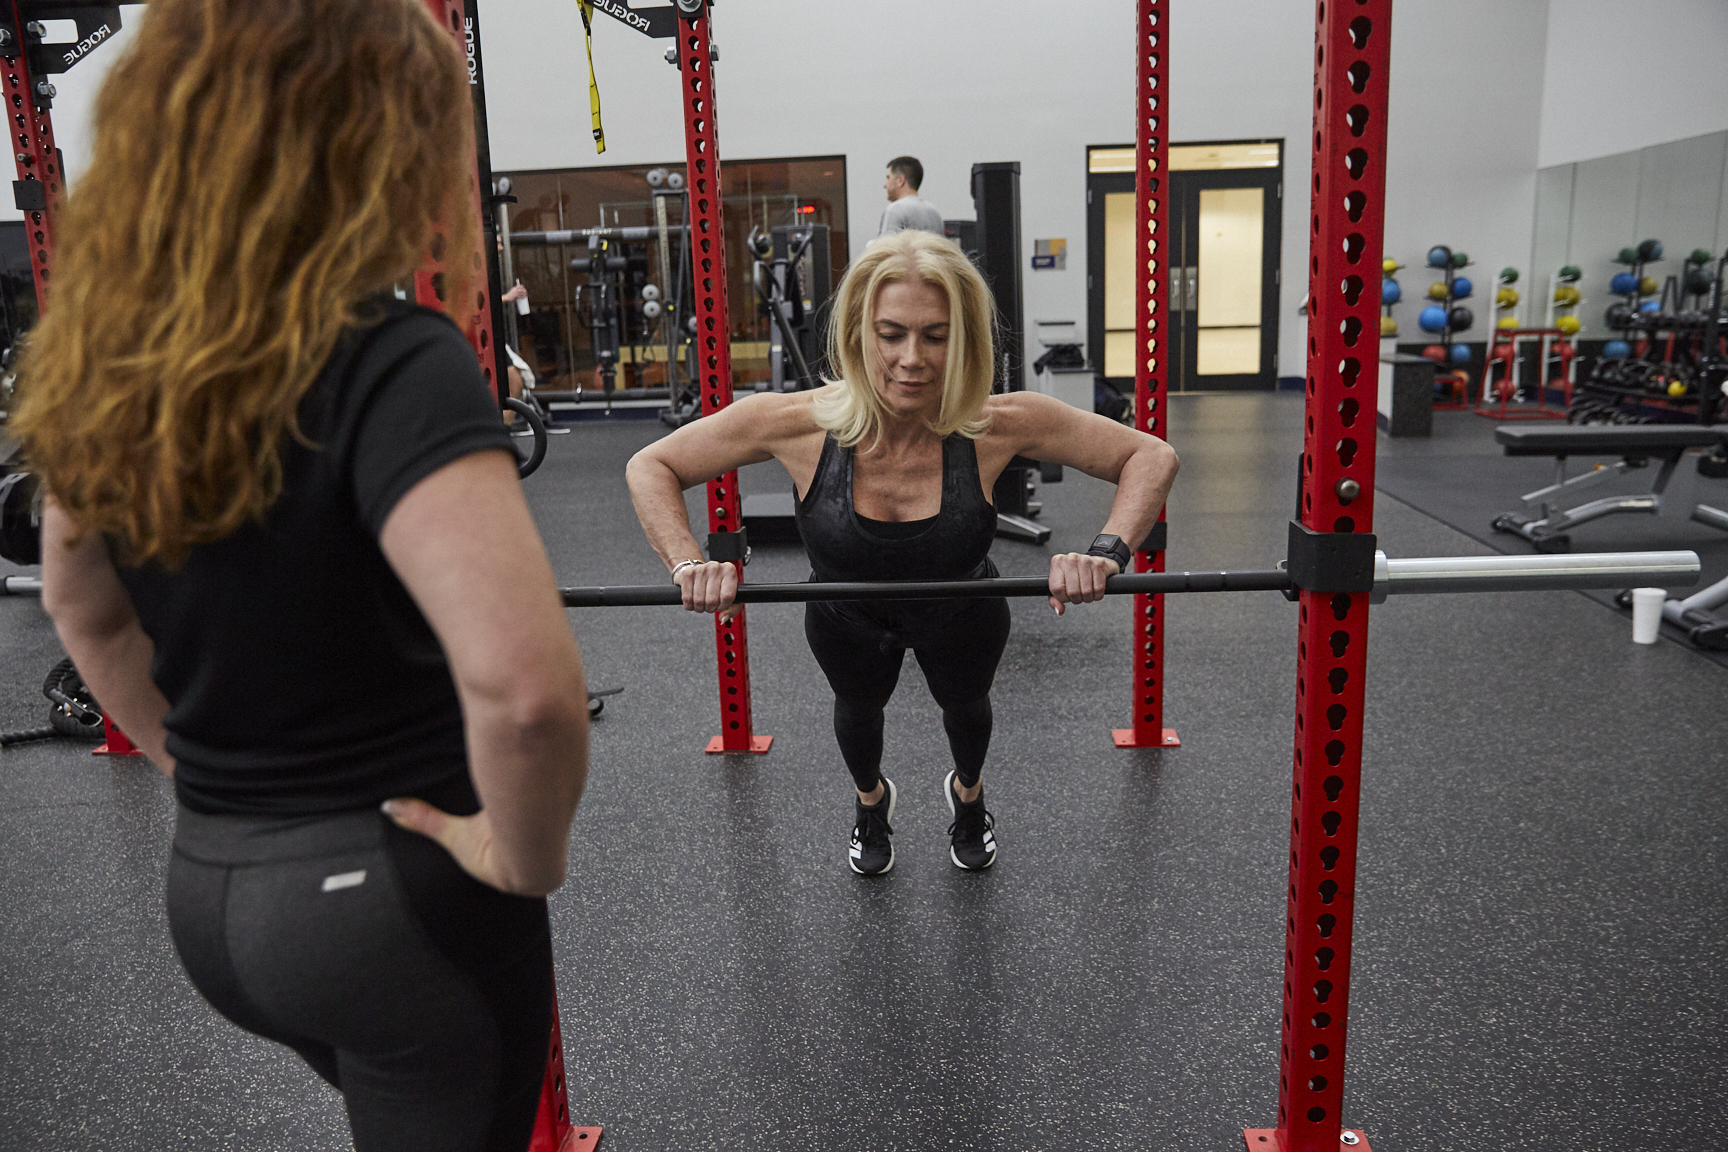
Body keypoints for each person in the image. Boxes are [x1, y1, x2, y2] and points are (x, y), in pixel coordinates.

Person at [10, 2, 589, 1149]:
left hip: (216, 895)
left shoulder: (117, 361)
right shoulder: (396, 360)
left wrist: (212, 778)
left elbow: (83, 605)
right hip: (394, 905)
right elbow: (526, 696)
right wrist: (521, 859)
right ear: (376, 143)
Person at [626, 229, 1177, 876]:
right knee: (858, 716)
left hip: (964, 611)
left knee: (967, 714)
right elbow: (652, 465)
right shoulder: (796, 423)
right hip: (845, 617)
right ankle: (871, 802)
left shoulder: (1000, 423)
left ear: (963, 340)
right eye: (891, 334)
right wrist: (688, 563)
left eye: (935, 336)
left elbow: (1150, 456)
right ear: (859, 333)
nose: (911, 358)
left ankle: (968, 797)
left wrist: (1105, 553)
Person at [877, 156, 946, 237]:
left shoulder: (895, 210)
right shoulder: (934, 213)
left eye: (888, 178)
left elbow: (886, 244)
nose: (885, 185)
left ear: (900, 180)